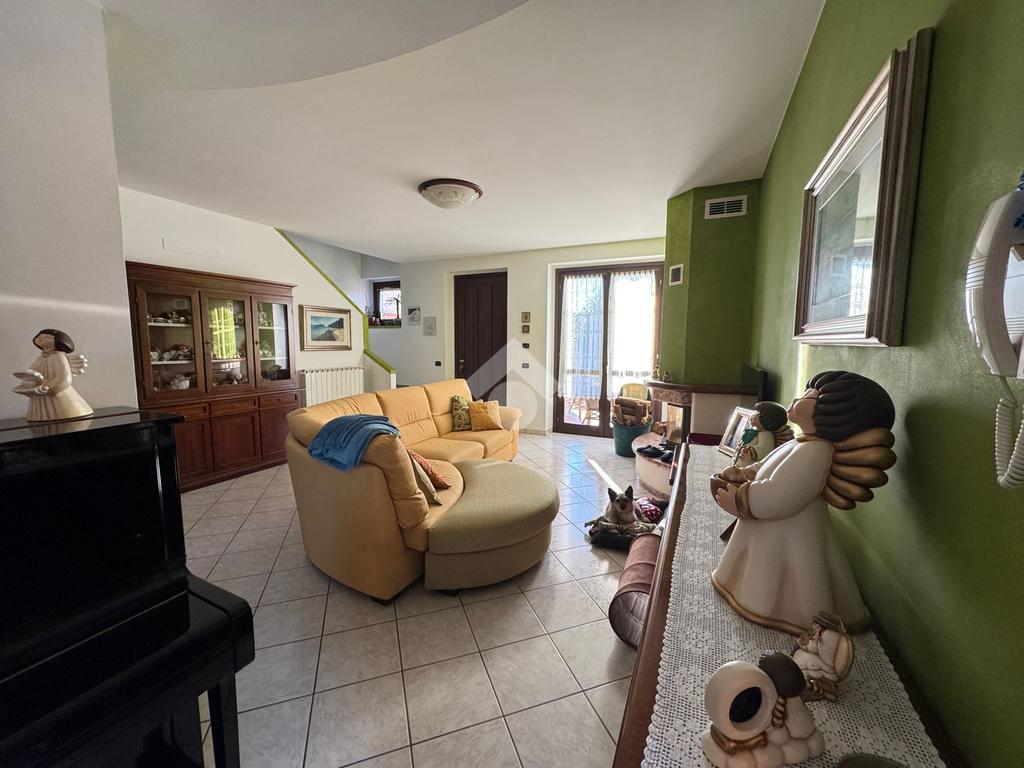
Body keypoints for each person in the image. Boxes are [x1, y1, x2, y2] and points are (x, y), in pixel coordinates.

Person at [710, 371, 896, 634]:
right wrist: (744, 473)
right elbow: (767, 465)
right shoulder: (801, 443)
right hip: (767, 529)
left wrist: (739, 500)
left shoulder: (816, 452)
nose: (798, 399)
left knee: (775, 581)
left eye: (810, 396)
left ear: (833, 412)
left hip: (787, 534)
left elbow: (781, 495)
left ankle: (769, 607)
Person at [13, 329, 93, 422]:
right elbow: (32, 372)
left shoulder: (58, 356)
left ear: (59, 341)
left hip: (53, 391)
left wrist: (49, 387)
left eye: (47, 337)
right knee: (41, 412)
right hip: (40, 391)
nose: (41, 339)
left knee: (61, 410)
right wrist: (27, 384)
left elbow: (64, 378)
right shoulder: (42, 357)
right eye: (39, 337)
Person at [734, 400, 791, 468]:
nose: (752, 415)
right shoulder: (754, 430)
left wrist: (751, 452)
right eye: (755, 411)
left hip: (749, 467)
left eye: (757, 413)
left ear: (767, 419)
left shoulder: (766, 435)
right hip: (739, 462)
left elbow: (764, 449)